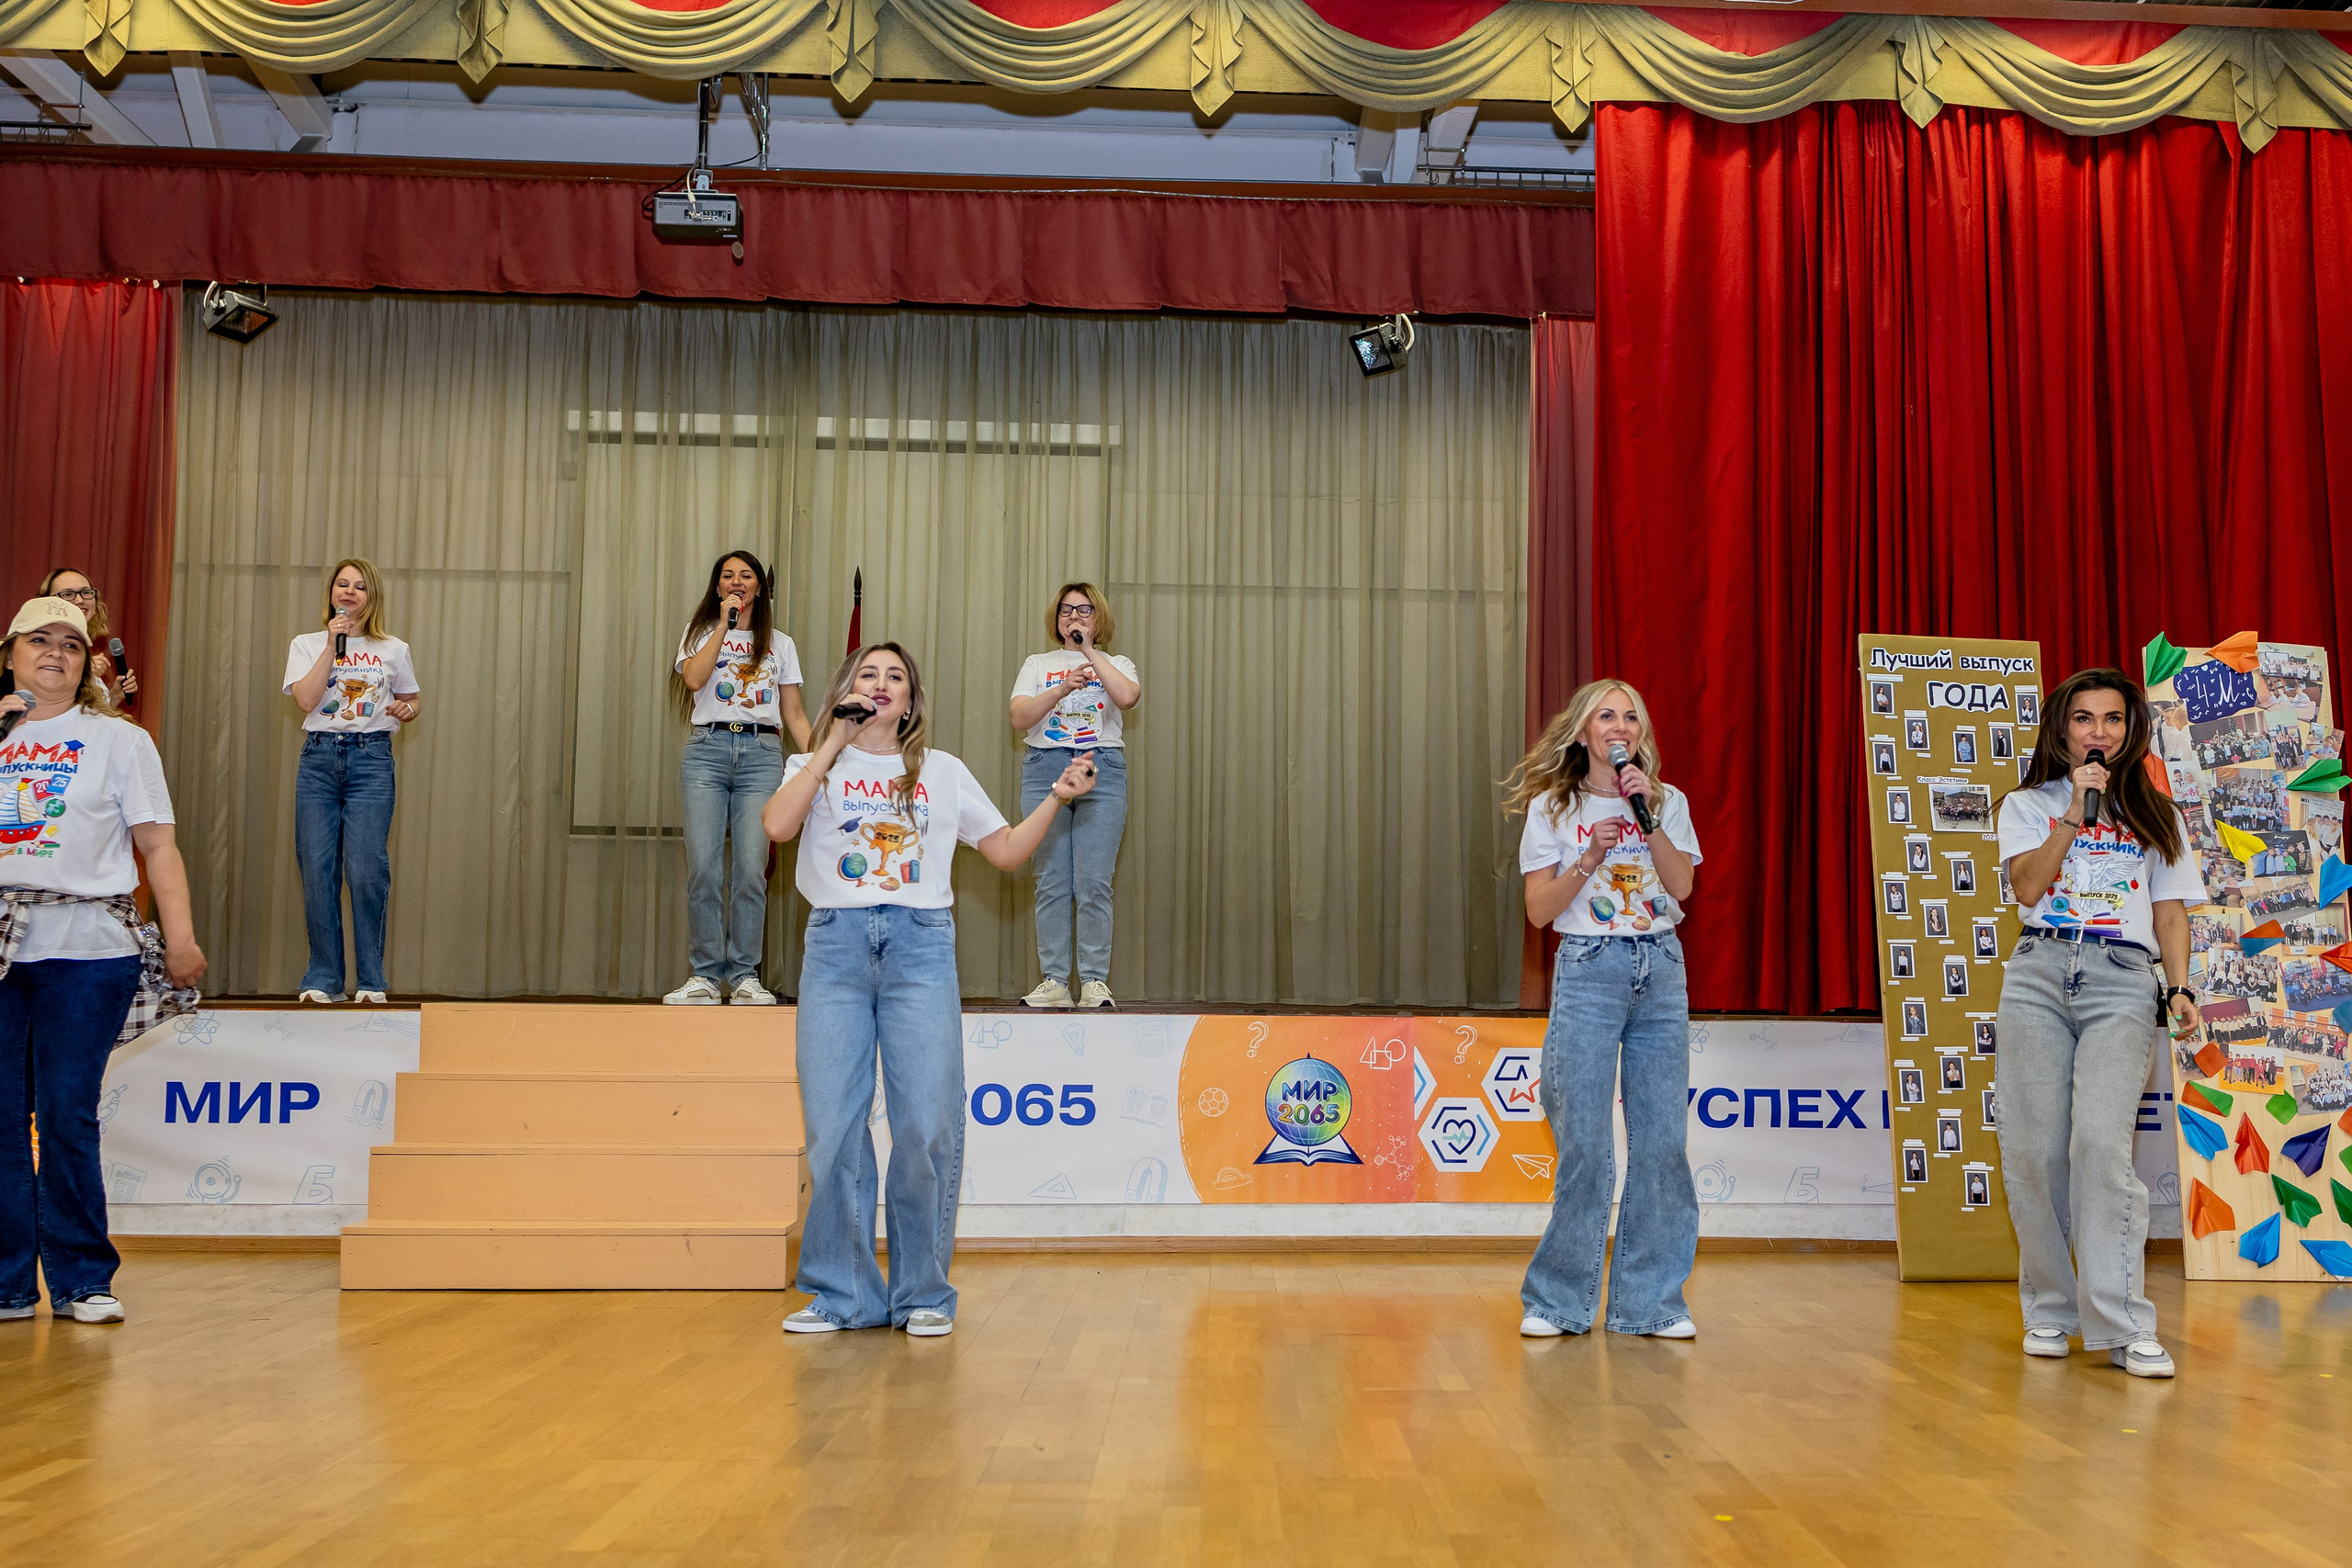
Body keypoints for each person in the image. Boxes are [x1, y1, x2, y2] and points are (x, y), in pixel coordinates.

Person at [764, 642, 1095, 1337]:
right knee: (833, 1128)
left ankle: (922, 1292)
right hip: (835, 946)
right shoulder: (812, 763)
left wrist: (1057, 799)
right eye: (868, 674)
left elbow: (1005, 851)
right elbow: (777, 825)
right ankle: (843, 1295)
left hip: (919, 947)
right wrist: (832, 744)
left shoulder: (942, 771)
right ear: (846, 689)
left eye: (896, 677)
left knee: (924, 1124)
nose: (881, 684)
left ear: (912, 700)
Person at [1, 596, 206, 1325]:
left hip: (88, 948)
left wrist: (179, 937)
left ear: (87, 660)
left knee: (65, 1112)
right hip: (3, 948)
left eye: (70, 642)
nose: (55, 652)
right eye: (39, 640)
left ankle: (84, 1278)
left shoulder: (119, 740)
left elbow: (158, 846)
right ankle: (8, 1284)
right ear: (11, 653)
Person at [1996, 668, 2202, 1380]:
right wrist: (2073, 813)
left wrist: (2180, 987)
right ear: (2063, 729)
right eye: (2084, 718)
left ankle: (2123, 1322)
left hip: (2121, 977)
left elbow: (2170, 911)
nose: (2098, 731)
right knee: (2033, 1150)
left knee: (2100, 1145)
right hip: (2039, 973)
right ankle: (2051, 1310)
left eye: (2112, 719)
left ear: (2130, 730)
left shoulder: (2158, 814)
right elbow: (2028, 886)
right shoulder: (2028, 804)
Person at [1503, 679, 1703, 1340]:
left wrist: (1649, 823)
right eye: (1607, 716)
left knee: (1662, 1144)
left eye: (1631, 717)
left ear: (1641, 734)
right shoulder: (1552, 806)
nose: (1621, 726)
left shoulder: (1666, 801)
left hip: (1660, 968)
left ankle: (1650, 1304)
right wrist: (1590, 856)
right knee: (1586, 1144)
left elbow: (1682, 886)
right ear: (1584, 732)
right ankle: (1557, 1302)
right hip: (1590, 968)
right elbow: (1539, 911)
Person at [666, 551, 810, 1007]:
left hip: (761, 755)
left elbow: (794, 714)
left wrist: (822, 762)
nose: (736, 582)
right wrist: (723, 628)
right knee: (704, 870)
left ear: (759, 588)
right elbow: (694, 680)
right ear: (717, 588)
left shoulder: (780, 644)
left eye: (746, 576)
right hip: (706, 753)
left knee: (751, 870)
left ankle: (746, 974)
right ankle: (706, 976)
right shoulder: (699, 634)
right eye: (727, 576)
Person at [282, 559, 421, 1004]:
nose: (348, 591)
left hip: (371, 761)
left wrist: (406, 710)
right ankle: (324, 979)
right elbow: (306, 699)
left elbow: (411, 698)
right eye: (341, 584)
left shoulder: (393, 648)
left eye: (359, 586)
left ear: (371, 596)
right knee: (317, 870)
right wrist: (331, 643)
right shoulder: (306, 644)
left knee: (365, 872)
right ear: (331, 592)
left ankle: (371, 981)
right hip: (319, 761)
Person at [1008, 583, 1139, 1010]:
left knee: (1094, 882)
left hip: (1101, 768)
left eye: (1084, 610)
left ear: (1098, 617)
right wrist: (1062, 688)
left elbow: (1128, 697)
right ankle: (1055, 981)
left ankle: (1095, 981)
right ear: (1056, 618)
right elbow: (1018, 717)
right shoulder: (1037, 663)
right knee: (1051, 882)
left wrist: (1088, 653)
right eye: (1066, 611)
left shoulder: (1117, 663)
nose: (1074, 618)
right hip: (1044, 768)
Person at [38, 569, 135, 708]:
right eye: (67, 594)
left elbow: (87, 717)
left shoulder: (84, 650)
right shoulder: (38, 645)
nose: (79, 600)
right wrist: (82, 673)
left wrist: (114, 697)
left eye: (86, 592)